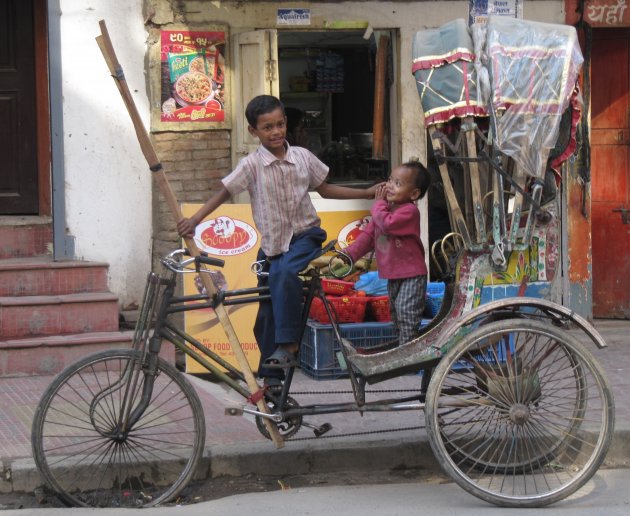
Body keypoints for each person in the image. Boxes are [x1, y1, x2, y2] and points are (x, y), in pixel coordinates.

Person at [177, 94, 381, 389]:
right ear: (253, 131)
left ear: (286, 123)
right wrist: (195, 220)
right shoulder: (251, 165)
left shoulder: (303, 157)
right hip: (272, 246)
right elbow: (224, 192)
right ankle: (271, 377)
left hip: (305, 237)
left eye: (280, 125)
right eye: (268, 127)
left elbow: (324, 189)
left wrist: (364, 193)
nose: (276, 132)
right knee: (265, 310)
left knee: (284, 274)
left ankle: (288, 346)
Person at [341, 161, 431, 346]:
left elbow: (388, 224)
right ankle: (404, 349)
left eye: (397, 183)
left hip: (411, 274)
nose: (389, 185)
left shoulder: (409, 211)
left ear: (414, 193)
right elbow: (368, 236)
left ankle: (408, 353)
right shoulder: (385, 210)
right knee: (396, 315)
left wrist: (379, 204)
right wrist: (350, 254)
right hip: (393, 274)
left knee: (406, 312)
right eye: (390, 180)